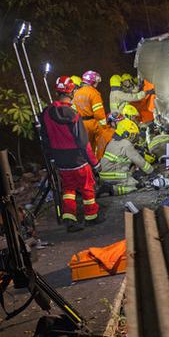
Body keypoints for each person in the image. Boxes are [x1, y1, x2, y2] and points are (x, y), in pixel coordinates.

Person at [41, 76, 103, 232]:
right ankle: (91, 217)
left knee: (68, 189)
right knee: (87, 187)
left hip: (60, 160)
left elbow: (45, 138)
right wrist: (95, 163)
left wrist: (51, 157)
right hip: (78, 159)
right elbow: (83, 142)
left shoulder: (46, 113)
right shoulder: (73, 114)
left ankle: (69, 218)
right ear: (72, 92)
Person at [98, 119, 154, 196]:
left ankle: (108, 185)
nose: (134, 137)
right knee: (134, 185)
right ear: (126, 134)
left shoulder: (113, 141)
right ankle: (112, 189)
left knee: (132, 177)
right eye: (133, 135)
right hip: (113, 175)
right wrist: (151, 171)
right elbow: (138, 160)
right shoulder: (126, 144)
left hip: (104, 175)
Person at [73, 70, 106, 155]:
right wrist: (104, 127)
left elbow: (73, 110)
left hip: (79, 123)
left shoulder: (76, 93)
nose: (97, 84)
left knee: (83, 147)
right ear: (92, 82)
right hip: (92, 124)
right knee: (93, 148)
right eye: (96, 81)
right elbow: (99, 114)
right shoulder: (94, 93)